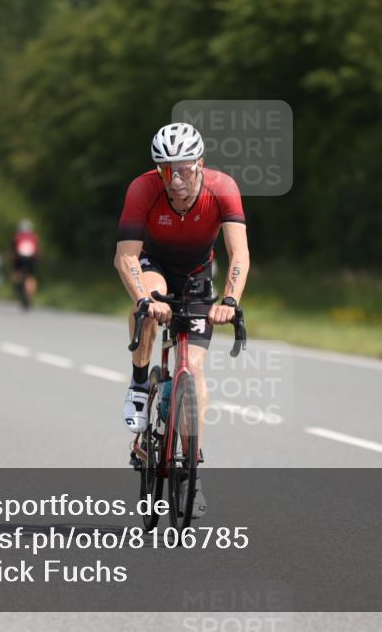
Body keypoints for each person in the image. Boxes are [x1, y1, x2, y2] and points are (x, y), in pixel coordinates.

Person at [113, 122, 251, 518]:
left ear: (201, 164)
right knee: (152, 301)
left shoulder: (222, 189)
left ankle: (192, 473)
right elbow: (125, 257)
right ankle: (140, 383)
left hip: (196, 276)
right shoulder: (143, 189)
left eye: (185, 168)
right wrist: (143, 297)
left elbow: (238, 254)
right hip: (152, 264)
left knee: (196, 373)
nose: (175, 179)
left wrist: (229, 299)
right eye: (165, 169)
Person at [11, 219, 39, 309]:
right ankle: (29, 298)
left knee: (17, 274)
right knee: (30, 277)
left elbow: (13, 251)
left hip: (20, 258)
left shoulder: (17, 237)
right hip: (32, 259)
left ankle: (19, 290)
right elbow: (37, 251)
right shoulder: (34, 237)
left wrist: (13, 263)